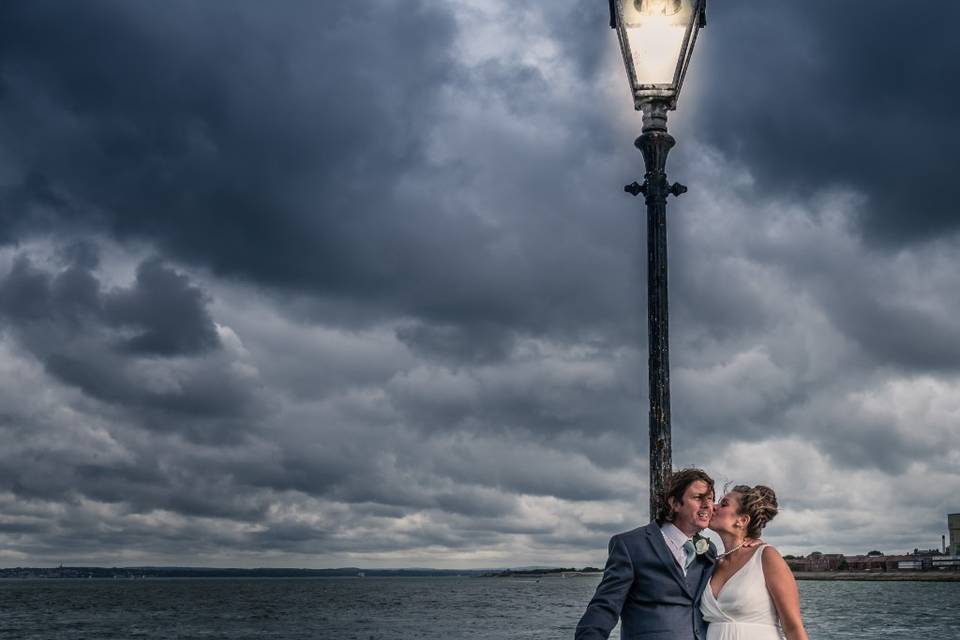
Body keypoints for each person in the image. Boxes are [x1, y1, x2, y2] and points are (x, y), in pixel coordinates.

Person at [575, 468, 718, 640]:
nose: (707, 505)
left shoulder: (708, 551)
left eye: (710, 499)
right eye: (697, 497)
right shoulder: (631, 545)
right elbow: (605, 606)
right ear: (674, 503)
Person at [701, 485, 808, 640]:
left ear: (742, 520)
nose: (713, 507)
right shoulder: (712, 563)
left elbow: (793, 629)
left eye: (723, 504)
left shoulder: (766, 556)